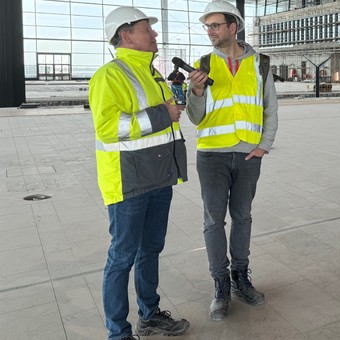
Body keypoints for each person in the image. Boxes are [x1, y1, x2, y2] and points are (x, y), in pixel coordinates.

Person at [89, 6, 189, 340]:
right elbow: (108, 129)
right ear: (126, 35)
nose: (155, 34)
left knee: (151, 250)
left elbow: (165, 123)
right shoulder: (109, 76)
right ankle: (118, 333)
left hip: (158, 178)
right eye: (148, 29)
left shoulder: (154, 74)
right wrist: (163, 114)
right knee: (122, 258)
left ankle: (149, 315)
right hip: (128, 182)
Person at [185, 0, 278, 322]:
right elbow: (195, 118)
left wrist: (264, 145)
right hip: (211, 154)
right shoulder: (202, 64)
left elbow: (269, 107)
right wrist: (195, 93)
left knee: (243, 218)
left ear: (233, 27)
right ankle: (220, 286)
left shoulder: (260, 64)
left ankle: (241, 277)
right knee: (213, 221)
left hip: (248, 153)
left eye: (215, 25)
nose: (209, 31)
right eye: (207, 26)